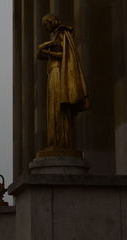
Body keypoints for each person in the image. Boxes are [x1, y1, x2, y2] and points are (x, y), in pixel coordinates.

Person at [37, 14, 88, 156]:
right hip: (53, 72)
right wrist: (45, 48)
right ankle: (55, 141)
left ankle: (62, 142)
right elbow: (39, 55)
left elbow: (66, 55)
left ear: (51, 21)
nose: (45, 28)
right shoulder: (54, 36)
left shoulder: (62, 33)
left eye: (46, 24)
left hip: (59, 72)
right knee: (53, 108)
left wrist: (48, 51)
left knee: (59, 107)